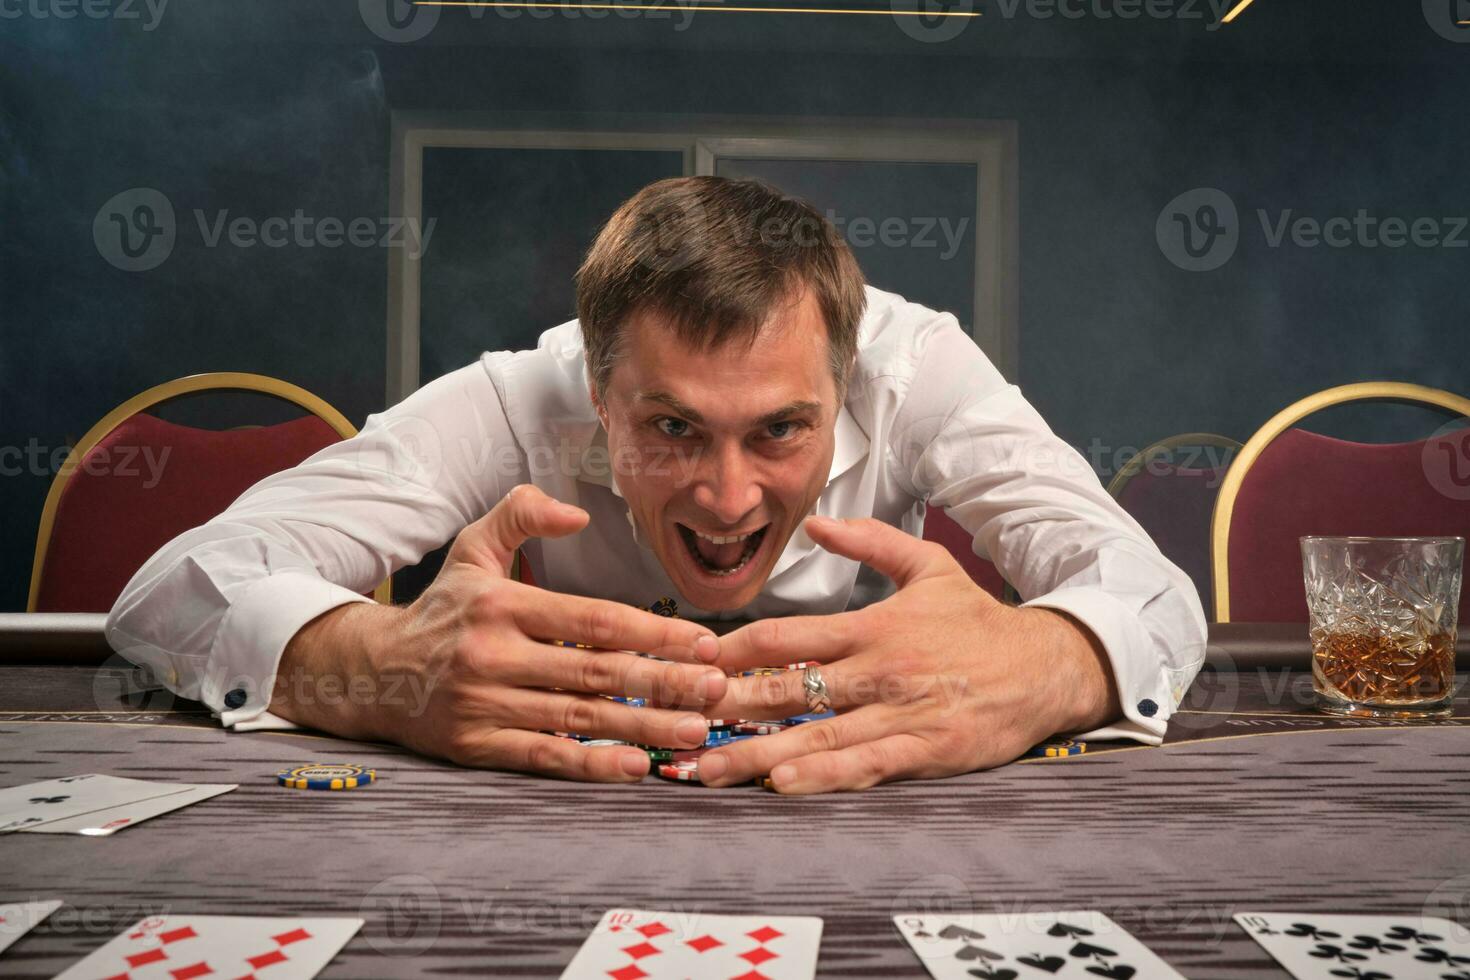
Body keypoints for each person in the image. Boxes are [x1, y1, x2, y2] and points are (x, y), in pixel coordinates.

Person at [106, 175, 1207, 794]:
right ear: (595, 385)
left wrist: (1046, 658)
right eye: (672, 425)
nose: (728, 499)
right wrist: (373, 661)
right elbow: (166, 591)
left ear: (849, 378)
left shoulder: (918, 368)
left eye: (782, 429)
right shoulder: (522, 394)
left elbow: (1150, 592)